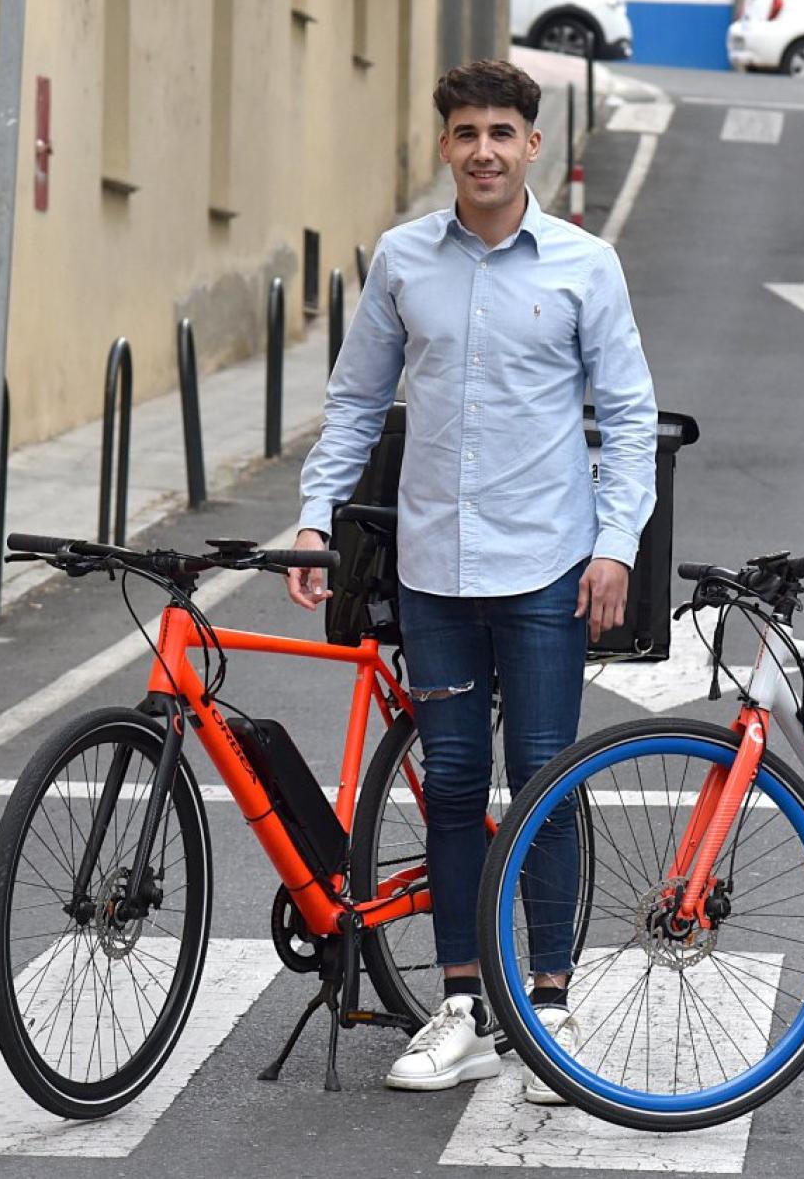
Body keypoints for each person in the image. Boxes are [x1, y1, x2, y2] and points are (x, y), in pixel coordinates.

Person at [288, 59, 658, 1100]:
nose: (485, 150)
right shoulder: (405, 260)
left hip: (547, 566)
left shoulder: (587, 266)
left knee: (542, 780)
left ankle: (546, 1008)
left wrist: (617, 542)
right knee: (452, 788)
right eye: (466, 133)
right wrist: (316, 518)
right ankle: (461, 1007)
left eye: (503, 131)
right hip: (435, 571)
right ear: (444, 146)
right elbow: (358, 403)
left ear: (532, 144)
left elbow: (628, 419)